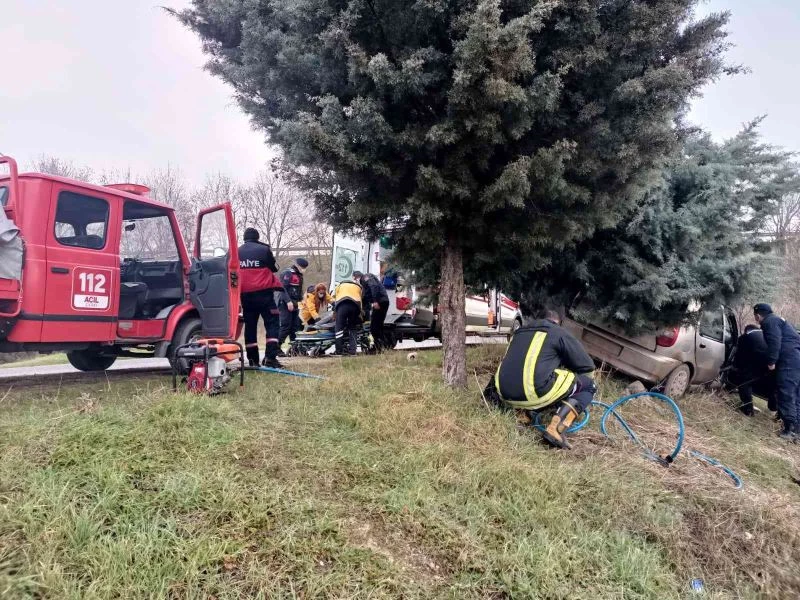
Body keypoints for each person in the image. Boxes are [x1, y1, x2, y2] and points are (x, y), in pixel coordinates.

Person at [484, 309, 596, 449]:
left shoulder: (519, 332)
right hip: (533, 393)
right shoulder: (558, 332)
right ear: (558, 322)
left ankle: (523, 413)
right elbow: (587, 366)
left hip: (504, 394)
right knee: (588, 386)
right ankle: (556, 430)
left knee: (536, 377)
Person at [238, 228, 283, 368]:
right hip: (264, 295)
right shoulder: (264, 250)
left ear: (244, 238)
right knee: (273, 324)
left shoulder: (236, 252)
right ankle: (270, 358)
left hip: (245, 296)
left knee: (250, 327)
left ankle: (253, 361)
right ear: (257, 237)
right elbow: (275, 268)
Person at [754, 303, 800, 441]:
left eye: (755, 316)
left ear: (757, 315)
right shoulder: (780, 320)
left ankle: (788, 430)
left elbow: (775, 342)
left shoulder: (770, 321)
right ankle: (796, 431)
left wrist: (771, 362)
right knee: (796, 395)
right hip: (796, 359)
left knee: (786, 393)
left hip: (788, 361)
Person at [730, 324, 776, 416]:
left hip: (754, 364)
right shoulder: (767, 336)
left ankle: (748, 410)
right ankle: (774, 406)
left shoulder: (745, 337)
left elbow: (739, 355)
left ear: (746, 330)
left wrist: (736, 367)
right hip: (770, 366)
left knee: (744, 383)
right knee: (771, 387)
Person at [277, 257, 309, 354]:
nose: (304, 269)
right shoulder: (288, 273)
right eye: (302, 267)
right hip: (285, 303)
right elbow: (282, 288)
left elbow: (298, 290)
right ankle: (276, 347)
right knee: (286, 326)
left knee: (295, 327)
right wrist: (288, 301)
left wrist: (302, 301)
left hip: (296, 304)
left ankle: (295, 348)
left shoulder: (299, 275)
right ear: (297, 265)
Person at [355, 271, 390, 352]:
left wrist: (375, 301)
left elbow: (373, 286)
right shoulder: (364, 285)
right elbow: (365, 298)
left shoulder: (366, 277)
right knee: (378, 326)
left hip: (380, 302)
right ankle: (382, 347)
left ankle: (377, 348)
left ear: (357, 277)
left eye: (355, 279)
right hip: (382, 301)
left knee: (374, 327)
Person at [333, 277, 363, 355]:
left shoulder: (339, 286)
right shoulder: (358, 287)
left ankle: (339, 351)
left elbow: (335, 298)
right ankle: (353, 350)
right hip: (355, 306)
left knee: (339, 327)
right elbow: (361, 300)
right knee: (353, 327)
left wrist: (335, 312)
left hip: (342, 305)